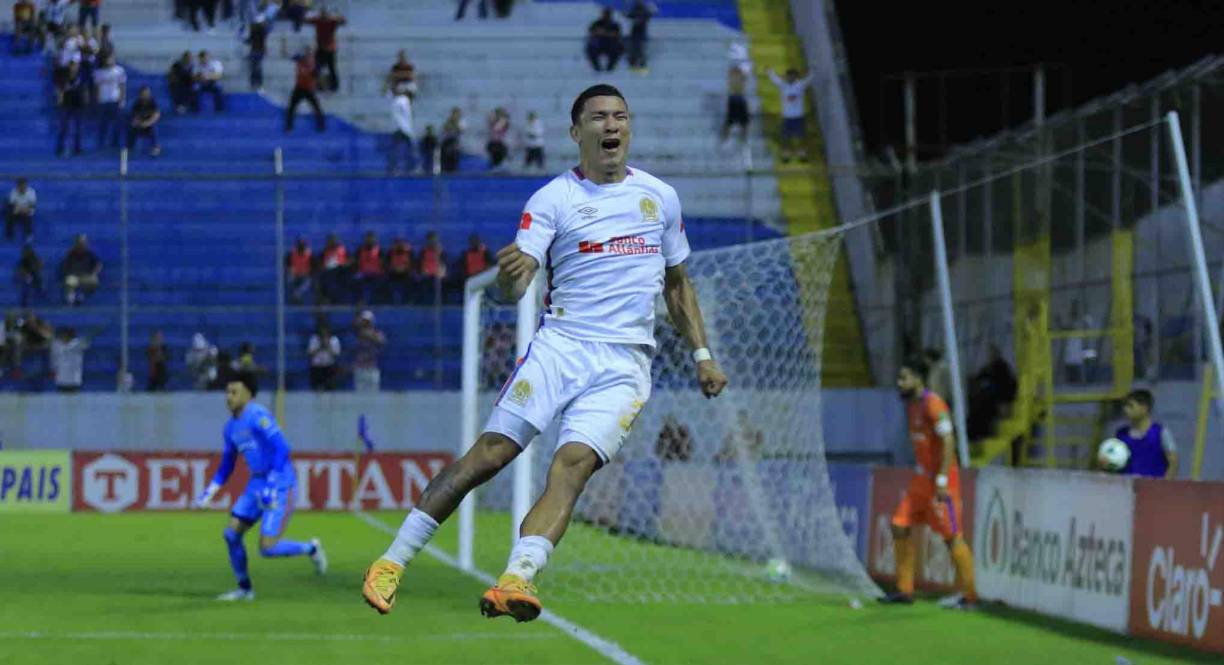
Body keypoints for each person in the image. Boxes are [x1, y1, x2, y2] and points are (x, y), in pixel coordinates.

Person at [361, 84, 729, 621]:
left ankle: (517, 578)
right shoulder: (553, 199)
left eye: (620, 116)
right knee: (491, 455)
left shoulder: (660, 199)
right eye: (599, 117)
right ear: (575, 132)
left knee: (571, 466)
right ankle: (391, 562)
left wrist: (701, 354)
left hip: (625, 364)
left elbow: (677, 283)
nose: (612, 126)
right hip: (560, 348)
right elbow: (519, 283)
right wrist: (510, 282)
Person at [193, 373, 328, 601]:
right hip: (256, 483)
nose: (229, 397)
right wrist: (210, 492)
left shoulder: (258, 415)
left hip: (281, 482)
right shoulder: (230, 428)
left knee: (267, 548)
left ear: (248, 394)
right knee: (231, 534)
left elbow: (282, 447)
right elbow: (227, 464)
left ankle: (311, 549)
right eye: (227, 392)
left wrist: (273, 484)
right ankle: (245, 589)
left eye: (234, 392)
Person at [878, 356, 977, 610]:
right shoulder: (912, 406)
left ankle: (970, 596)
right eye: (899, 378)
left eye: (904, 378)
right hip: (921, 481)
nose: (899, 383)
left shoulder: (934, 405)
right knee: (899, 525)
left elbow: (948, 442)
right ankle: (904, 590)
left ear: (918, 379)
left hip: (943, 483)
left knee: (952, 536)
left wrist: (942, 479)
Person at [1110, 389, 1178, 479]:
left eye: (1130, 406)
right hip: (1124, 489)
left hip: (1152, 489)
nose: (1125, 410)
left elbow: (1173, 464)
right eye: (1125, 406)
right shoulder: (1120, 434)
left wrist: (1163, 486)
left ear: (1144, 408)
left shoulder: (1161, 433)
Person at [767, 68, 813, 163]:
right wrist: (770, 71)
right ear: (786, 76)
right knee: (785, 137)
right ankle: (786, 154)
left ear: (796, 77)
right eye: (789, 76)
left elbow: (809, 79)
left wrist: (814, 70)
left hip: (798, 116)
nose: (790, 78)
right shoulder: (783, 85)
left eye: (792, 76)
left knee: (801, 137)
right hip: (787, 117)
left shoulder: (800, 85)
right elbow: (774, 79)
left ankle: (802, 154)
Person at [285, 47, 325, 132]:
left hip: (308, 89)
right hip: (299, 88)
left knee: (316, 107)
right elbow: (292, 56)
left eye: (308, 54)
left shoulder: (313, 64)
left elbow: (316, 74)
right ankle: (289, 126)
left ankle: (321, 125)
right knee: (291, 108)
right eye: (306, 54)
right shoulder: (300, 60)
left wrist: (317, 82)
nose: (307, 55)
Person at [305, 8, 345, 92]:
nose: (323, 17)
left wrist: (337, 17)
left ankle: (333, 86)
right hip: (322, 48)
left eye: (324, 15)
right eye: (322, 15)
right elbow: (307, 20)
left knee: (330, 68)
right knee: (318, 67)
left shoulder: (330, 22)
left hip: (329, 49)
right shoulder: (319, 21)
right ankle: (318, 84)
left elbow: (343, 21)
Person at [93, 53, 125, 150]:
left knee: (117, 124)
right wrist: (97, 100)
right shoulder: (98, 73)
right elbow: (96, 88)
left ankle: (115, 142)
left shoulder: (119, 71)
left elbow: (122, 86)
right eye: (107, 59)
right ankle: (101, 143)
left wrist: (121, 100)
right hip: (103, 101)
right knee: (103, 124)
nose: (109, 61)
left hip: (115, 100)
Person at [55, 60, 87, 157]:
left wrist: (85, 100)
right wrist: (59, 102)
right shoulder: (64, 77)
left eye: (76, 66)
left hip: (78, 104)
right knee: (63, 128)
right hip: (66, 105)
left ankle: (77, 148)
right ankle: (60, 148)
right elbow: (60, 90)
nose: (74, 68)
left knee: (78, 128)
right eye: (72, 66)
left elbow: (85, 89)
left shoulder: (81, 77)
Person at [60, 233, 102, 305]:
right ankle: (71, 299)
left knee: (94, 280)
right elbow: (64, 267)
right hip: (74, 276)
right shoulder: (70, 255)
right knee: (69, 281)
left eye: (83, 243)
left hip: (86, 276)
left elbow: (98, 265)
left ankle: (82, 296)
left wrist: (94, 273)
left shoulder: (90, 254)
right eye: (79, 243)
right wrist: (69, 274)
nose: (81, 245)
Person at [352, 311, 385, 392]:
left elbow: (382, 341)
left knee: (374, 396)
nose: (366, 324)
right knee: (359, 396)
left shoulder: (377, 333)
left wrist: (370, 335)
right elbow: (355, 326)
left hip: (372, 368)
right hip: (360, 368)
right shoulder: (358, 333)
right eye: (364, 322)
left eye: (368, 322)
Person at [585, 8, 623, 73]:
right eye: (605, 14)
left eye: (607, 14)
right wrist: (602, 33)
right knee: (590, 49)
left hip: (611, 45)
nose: (606, 16)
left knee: (618, 50)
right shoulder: (597, 23)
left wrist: (604, 32)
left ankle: (610, 69)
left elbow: (616, 34)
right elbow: (592, 31)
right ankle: (597, 69)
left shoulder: (614, 24)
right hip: (598, 45)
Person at [50, 327, 88, 392]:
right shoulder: (56, 345)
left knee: (74, 400)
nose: (63, 337)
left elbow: (86, 343)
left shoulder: (78, 344)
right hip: (61, 379)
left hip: (74, 379)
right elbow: (53, 358)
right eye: (62, 336)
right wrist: (53, 369)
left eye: (65, 336)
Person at [127, 86, 161, 156]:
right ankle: (130, 147)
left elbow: (156, 115)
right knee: (132, 128)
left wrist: (148, 123)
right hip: (140, 124)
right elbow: (134, 117)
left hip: (149, 124)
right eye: (143, 94)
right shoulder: (136, 104)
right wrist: (138, 123)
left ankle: (155, 148)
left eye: (147, 94)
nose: (145, 95)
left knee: (154, 129)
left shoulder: (152, 103)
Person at [388, 87, 415, 174]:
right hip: (402, 129)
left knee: (398, 150)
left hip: (398, 128)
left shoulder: (397, 100)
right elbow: (407, 117)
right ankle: (403, 168)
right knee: (404, 150)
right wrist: (409, 131)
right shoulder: (404, 100)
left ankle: (396, 168)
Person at [721, 63, 750, 146]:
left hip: (739, 99)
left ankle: (743, 138)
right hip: (734, 99)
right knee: (730, 121)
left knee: (744, 122)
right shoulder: (733, 78)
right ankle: (726, 138)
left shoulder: (740, 78)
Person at [307, 321, 340, 391]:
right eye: (322, 330)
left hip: (329, 367)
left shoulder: (334, 340)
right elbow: (310, 353)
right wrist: (320, 347)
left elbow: (336, 354)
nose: (323, 332)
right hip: (317, 367)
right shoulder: (314, 339)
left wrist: (327, 346)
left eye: (325, 330)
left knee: (330, 388)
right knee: (317, 389)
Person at [624, 1, 655, 72]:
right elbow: (627, 15)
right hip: (635, 35)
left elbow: (651, 14)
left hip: (641, 35)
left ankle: (641, 64)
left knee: (640, 50)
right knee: (633, 50)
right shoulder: (635, 11)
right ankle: (634, 64)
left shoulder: (645, 13)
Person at [353, 231, 384, 304]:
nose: (370, 240)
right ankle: (359, 302)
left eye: (372, 239)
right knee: (354, 282)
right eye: (368, 239)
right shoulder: (360, 250)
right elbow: (355, 262)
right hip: (363, 274)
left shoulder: (379, 251)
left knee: (382, 282)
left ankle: (377, 301)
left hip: (376, 274)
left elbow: (383, 263)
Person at [416, 231, 446, 303]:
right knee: (424, 283)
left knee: (439, 283)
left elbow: (443, 264)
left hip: (437, 274)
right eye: (430, 239)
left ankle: (440, 301)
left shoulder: (441, 251)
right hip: (426, 274)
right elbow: (419, 263)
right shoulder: (423, 251)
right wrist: (421, 273)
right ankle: (423, 302)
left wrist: (441, 274)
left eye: (433, 239)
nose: (432, 241)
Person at [318, 233, 348, 303]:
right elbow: (320, 264)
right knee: (323, 279)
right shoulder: (325, 251)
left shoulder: (342, 249)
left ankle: (334, 299)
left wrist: (342, 264)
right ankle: (325, 299)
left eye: (334, 240)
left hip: (341, 270)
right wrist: (325, 266)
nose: (332, 242)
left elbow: (349, 260)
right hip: (328, 271)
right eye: (330, 240)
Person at [285, 236, 313, 303]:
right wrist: (290, 270)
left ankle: (296, 296)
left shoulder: (310, 255)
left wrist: (307, 272)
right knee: (289, 278)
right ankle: (295, 296)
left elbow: (314, 268)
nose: (301, 247)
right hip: (295, 274)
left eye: (302, 246)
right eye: (299, 245)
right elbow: (287, 265)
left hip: (305, 275)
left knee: (308, 281)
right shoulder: (291, 254)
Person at [386, 237, 414, 304]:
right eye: (397, 244)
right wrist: (393, 269)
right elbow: (386, 264)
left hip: (406, 273)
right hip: (393, 274)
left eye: (402, 244)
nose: (399, 245)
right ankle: (394, 301)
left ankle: (407, 301)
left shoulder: (409, 253)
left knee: (410, 282)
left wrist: (405, 269)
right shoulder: (390, 253)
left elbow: (413, 264)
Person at [246, 13, 269, 91]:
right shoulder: (254, 30)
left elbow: (263, 33)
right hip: (254, 51)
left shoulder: (262, 30)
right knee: (254, 69)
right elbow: (249, 40)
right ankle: (254, 84)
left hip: (259, 51)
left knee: (257, 68)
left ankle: (259, 85)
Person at [440, 108, 465, 173]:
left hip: (455, 146)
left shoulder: (461, 122)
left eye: (457, 114)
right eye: (454, 114)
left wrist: (454, 124)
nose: (455, 116)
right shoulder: (447, 122)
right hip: (447, 145)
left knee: (454, 165)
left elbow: (460, 130)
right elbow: (444, 130)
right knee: (446, 165)